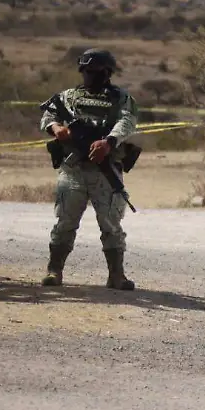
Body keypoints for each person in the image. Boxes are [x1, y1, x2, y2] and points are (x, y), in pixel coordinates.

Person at [38, 48, 139, 290]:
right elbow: (48, 116)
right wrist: (55, 128)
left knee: (111, 223)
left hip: (105, 170)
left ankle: (116, 275)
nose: (90, 76)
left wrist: (109, 142)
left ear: (107, 73)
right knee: (65, 222)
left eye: (96, 72)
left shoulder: (120, 98)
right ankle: (54, 271)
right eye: (87, 71)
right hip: (73, 169)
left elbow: (127, 121)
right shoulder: (68, 97)